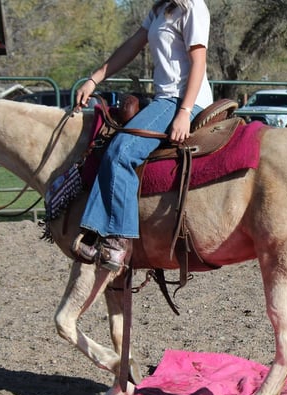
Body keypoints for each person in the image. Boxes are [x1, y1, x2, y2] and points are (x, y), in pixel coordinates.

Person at [72, 0, 214, 273]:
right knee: (111, 146)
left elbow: (199, 62)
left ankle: (118, 240)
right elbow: (132, 46)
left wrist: (185, 112)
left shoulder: (193, 7)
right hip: (165, 99)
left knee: (121, 153)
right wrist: (94, 79)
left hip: (180, 99)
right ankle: (96, 231)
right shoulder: (160, 9)